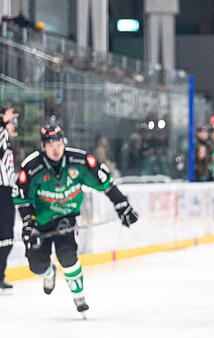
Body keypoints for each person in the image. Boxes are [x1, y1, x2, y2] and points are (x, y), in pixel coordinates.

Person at [14, 124, 139, 316]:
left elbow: (104, 182)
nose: (55, 148)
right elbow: (23, 199)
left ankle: (78, 296)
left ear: (64, 143)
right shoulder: (32, 167)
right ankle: (48, 273)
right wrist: (29, 224)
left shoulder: (78, 161)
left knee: (68, 256)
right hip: (40, 221)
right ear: (43, 146)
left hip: (67, 217)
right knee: (37, 265)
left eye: (58, 143)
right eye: (50, 144)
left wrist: (121, 204)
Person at [0, 107, 19, 294]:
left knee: (7, 239)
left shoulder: (7, 146)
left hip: (6, 193)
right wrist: (3, 123)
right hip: (1, 193)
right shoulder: (2, 142)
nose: (14, 126)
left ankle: (0, 275)